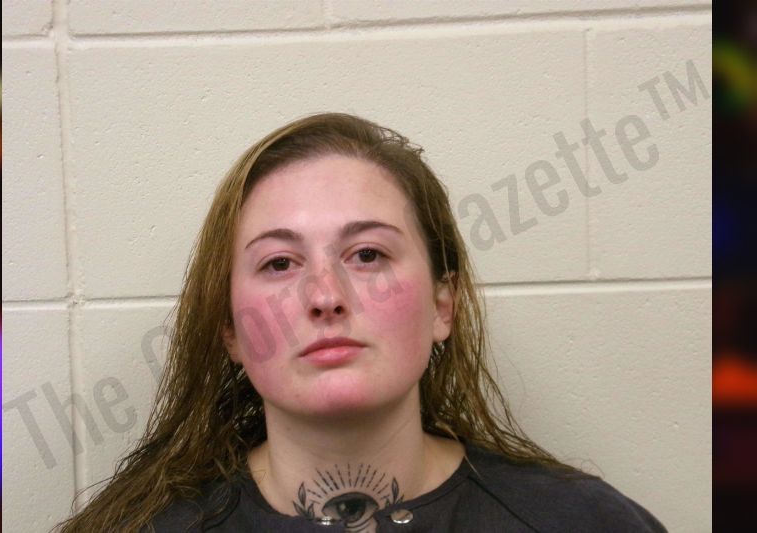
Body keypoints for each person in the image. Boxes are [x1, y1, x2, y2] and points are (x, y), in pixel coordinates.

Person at [56, 113, 666, 532]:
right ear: (231, 331)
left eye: (368, 255)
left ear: (443, 305)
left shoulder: (587, 524)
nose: (326, 297)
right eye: (279, 263)